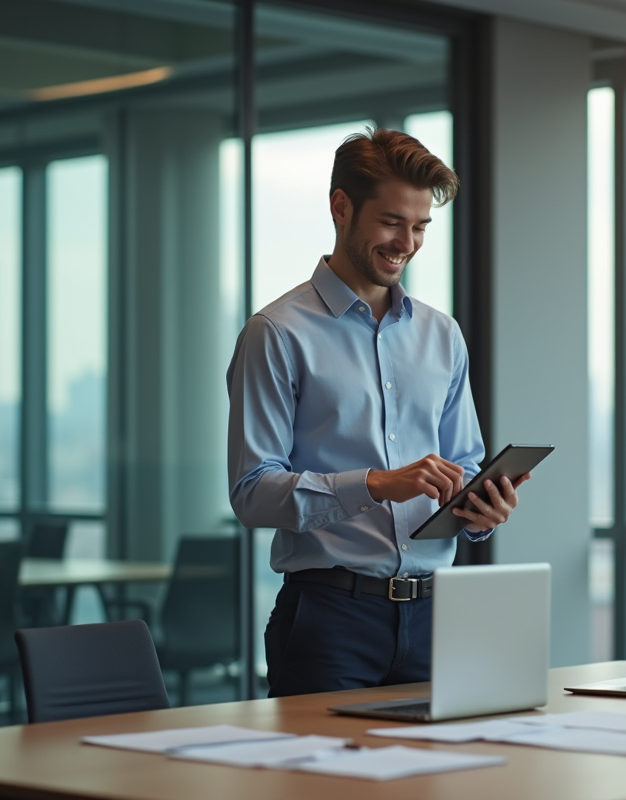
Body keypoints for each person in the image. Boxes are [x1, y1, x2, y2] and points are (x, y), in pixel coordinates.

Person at [227, 128, 530, 697]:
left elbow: (462, 464)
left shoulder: (442, 335)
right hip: (329, 620)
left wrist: (482, 509)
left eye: (420, 227)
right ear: (341, 208)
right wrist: (374, 485)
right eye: (392, 222)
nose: (407, 243)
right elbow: (251, 491)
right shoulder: (275, 334)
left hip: (441, 617)